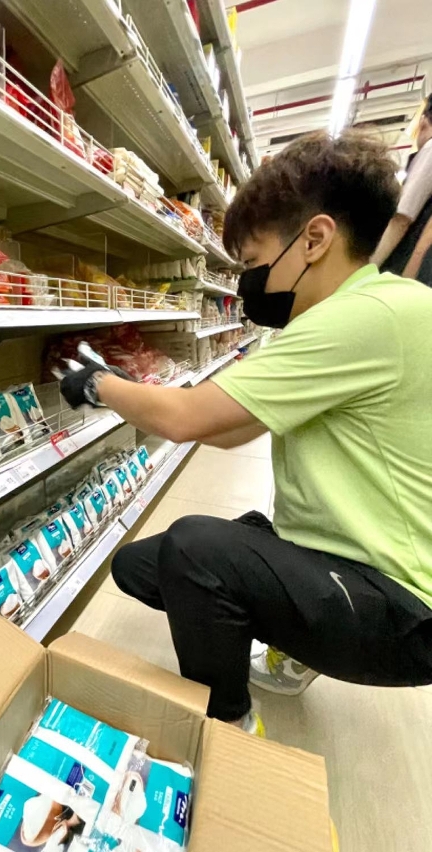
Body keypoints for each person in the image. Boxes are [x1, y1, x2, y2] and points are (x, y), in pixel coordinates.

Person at [59, 130, 432, 734]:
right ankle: (293, 642)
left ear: (315, 239)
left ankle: (230, 725)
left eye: (255, 262)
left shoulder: (357, 319)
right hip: (357, 559)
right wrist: (139, 391)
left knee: (195, 550)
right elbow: (230, 431)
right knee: (141, 565)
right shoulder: (385, 304)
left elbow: (186, 419)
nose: (248, 281)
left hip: (404, 607)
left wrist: (100, 384)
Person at [372, 94, 432, 285]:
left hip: (408, 270)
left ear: (423, 121)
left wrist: (369, 268)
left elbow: (401, 219)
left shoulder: (430, 149)